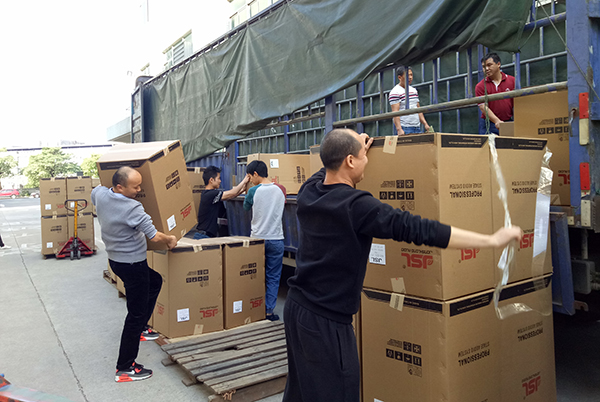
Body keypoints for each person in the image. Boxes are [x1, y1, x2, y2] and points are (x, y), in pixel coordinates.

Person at [282, 128, 522, 402]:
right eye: (362, 156)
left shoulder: (309, 191)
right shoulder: (357, 206)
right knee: (339, 393)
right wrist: (490, 240)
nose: (366, 159)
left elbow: (329, 164)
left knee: (301, 393)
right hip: (326, 322)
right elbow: (418, 228)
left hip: (296, 309)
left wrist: (355, 147)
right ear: (349, 161)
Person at [92, 166, 177, 383]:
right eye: (135, 187)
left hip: (116, 261)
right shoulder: (132, 208)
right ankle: (125, 367)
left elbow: (96, 190)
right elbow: (154, 235)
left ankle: (141, 328)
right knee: (135, 315)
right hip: (133, 263)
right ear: (120, 187)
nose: (139, 190)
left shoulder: (100, 194)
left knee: (155, 281)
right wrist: (170, 239)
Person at [243, 160, 286, 321]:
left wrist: (246, 188)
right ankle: (269, 311)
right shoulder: (281, 189)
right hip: (276, 239)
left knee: (254, 276)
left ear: (255, 174)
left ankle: (254, 309)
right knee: (273, 277)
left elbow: (246, 207)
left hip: (258, 240)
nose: (250, 180)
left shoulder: (253, 191)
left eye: (250, 177)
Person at [194, 165, 250, 239]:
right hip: (203, 236)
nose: (220, 181)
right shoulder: (209, 194)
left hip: (206, 236)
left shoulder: (210, 195)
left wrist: (243, 189)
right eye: (218, 178)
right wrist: (244, 180)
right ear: (211, 180)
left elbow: (231, 196)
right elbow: (232, 193)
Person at [475, 52, 516, 135]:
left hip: (508, 121)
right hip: (488, 124)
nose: (486, 69)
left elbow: (517, 103)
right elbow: (483, 107)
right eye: (484, 67)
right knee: (487, 143)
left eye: (489, 65)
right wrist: (497, 121)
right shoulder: (480, 86)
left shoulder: (512, 81)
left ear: (498, 64)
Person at [389, 66, 430, 135]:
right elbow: (395, 112)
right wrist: (399, 129)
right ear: (399, 77)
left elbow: (418, 109)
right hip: (405, 127)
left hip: (417, 126)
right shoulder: (395, 92)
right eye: (407, 75)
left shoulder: (413, 90)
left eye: (411, 75)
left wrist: (425, 124)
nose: (410, 77)